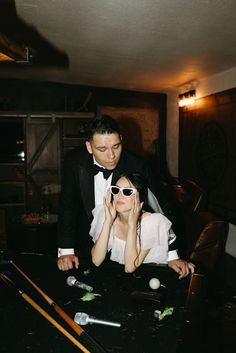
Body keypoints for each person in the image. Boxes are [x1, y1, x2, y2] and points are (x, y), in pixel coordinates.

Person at [57, 115, 192, 277]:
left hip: (130, 247)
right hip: (89, 245)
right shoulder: (74, 161)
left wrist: (172, 256)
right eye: (102, 149)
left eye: (116, 146)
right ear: (89, 146)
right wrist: (66, 250)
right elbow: (67, 206)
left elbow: (164, 207)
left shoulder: (138, 165)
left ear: (121, 139)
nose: (111, 155)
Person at [90, 172, 195, 278]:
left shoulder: (152, 222)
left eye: (127, 191)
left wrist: (132, 225)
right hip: (124, 278)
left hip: (152, 275)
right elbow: (96, 260)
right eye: (116, 190)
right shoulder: (105, 214)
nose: (119, 196)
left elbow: (130, 267)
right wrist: (108, 221)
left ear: (140, 197)